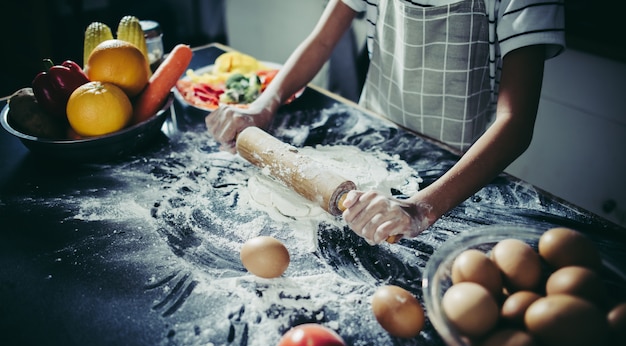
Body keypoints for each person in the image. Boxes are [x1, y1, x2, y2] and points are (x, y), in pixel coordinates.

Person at [205, 0, 566, 245]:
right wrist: (264, 106)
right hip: (368, 142)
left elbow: (515, 123)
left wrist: (419, 208)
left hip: (455, 171)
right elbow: (321, 41)